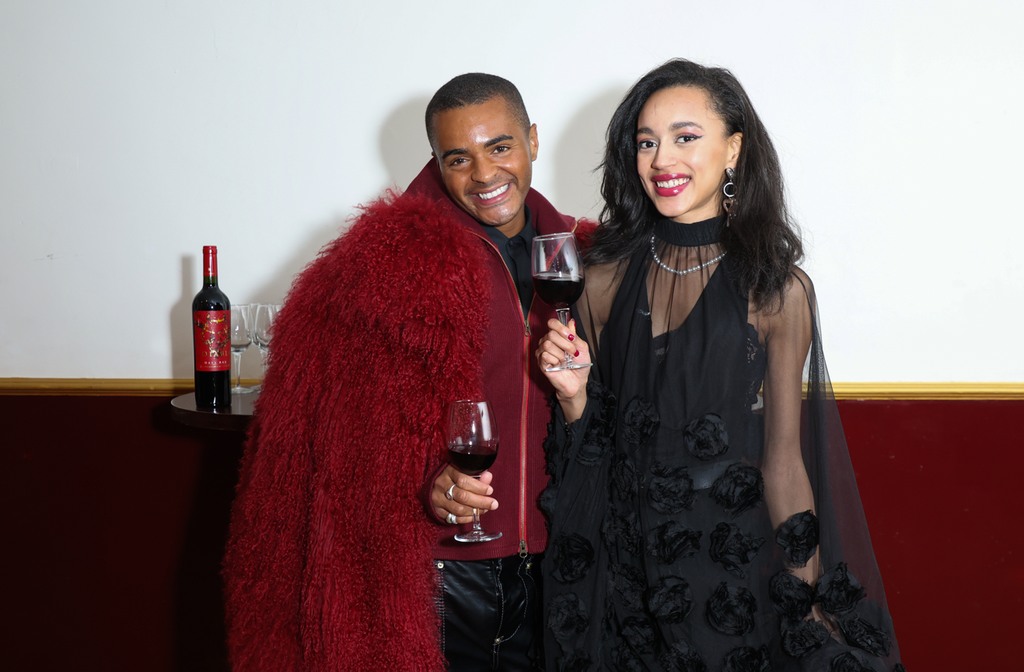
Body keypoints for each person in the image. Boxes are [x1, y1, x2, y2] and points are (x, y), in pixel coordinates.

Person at [535, 59, 905, 671]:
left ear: (733, 149)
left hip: (736, 572)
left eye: (685, 137)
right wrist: (573, 397)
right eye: (646, 142)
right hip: (627, 578)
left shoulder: (777, 292)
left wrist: (804, 598)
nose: (661, 160)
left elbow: (784, 462)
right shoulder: (599, 280)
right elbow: (591, 450)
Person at [222, 73, 588, 671]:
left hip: (561, 569)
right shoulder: (386, 266)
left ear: (533, 141)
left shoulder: (584, 256)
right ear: (436, 164)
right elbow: (341, 440)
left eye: (500, 147)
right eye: (458, 159)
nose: (485, 175)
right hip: (441, 581)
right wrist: (429, 482)